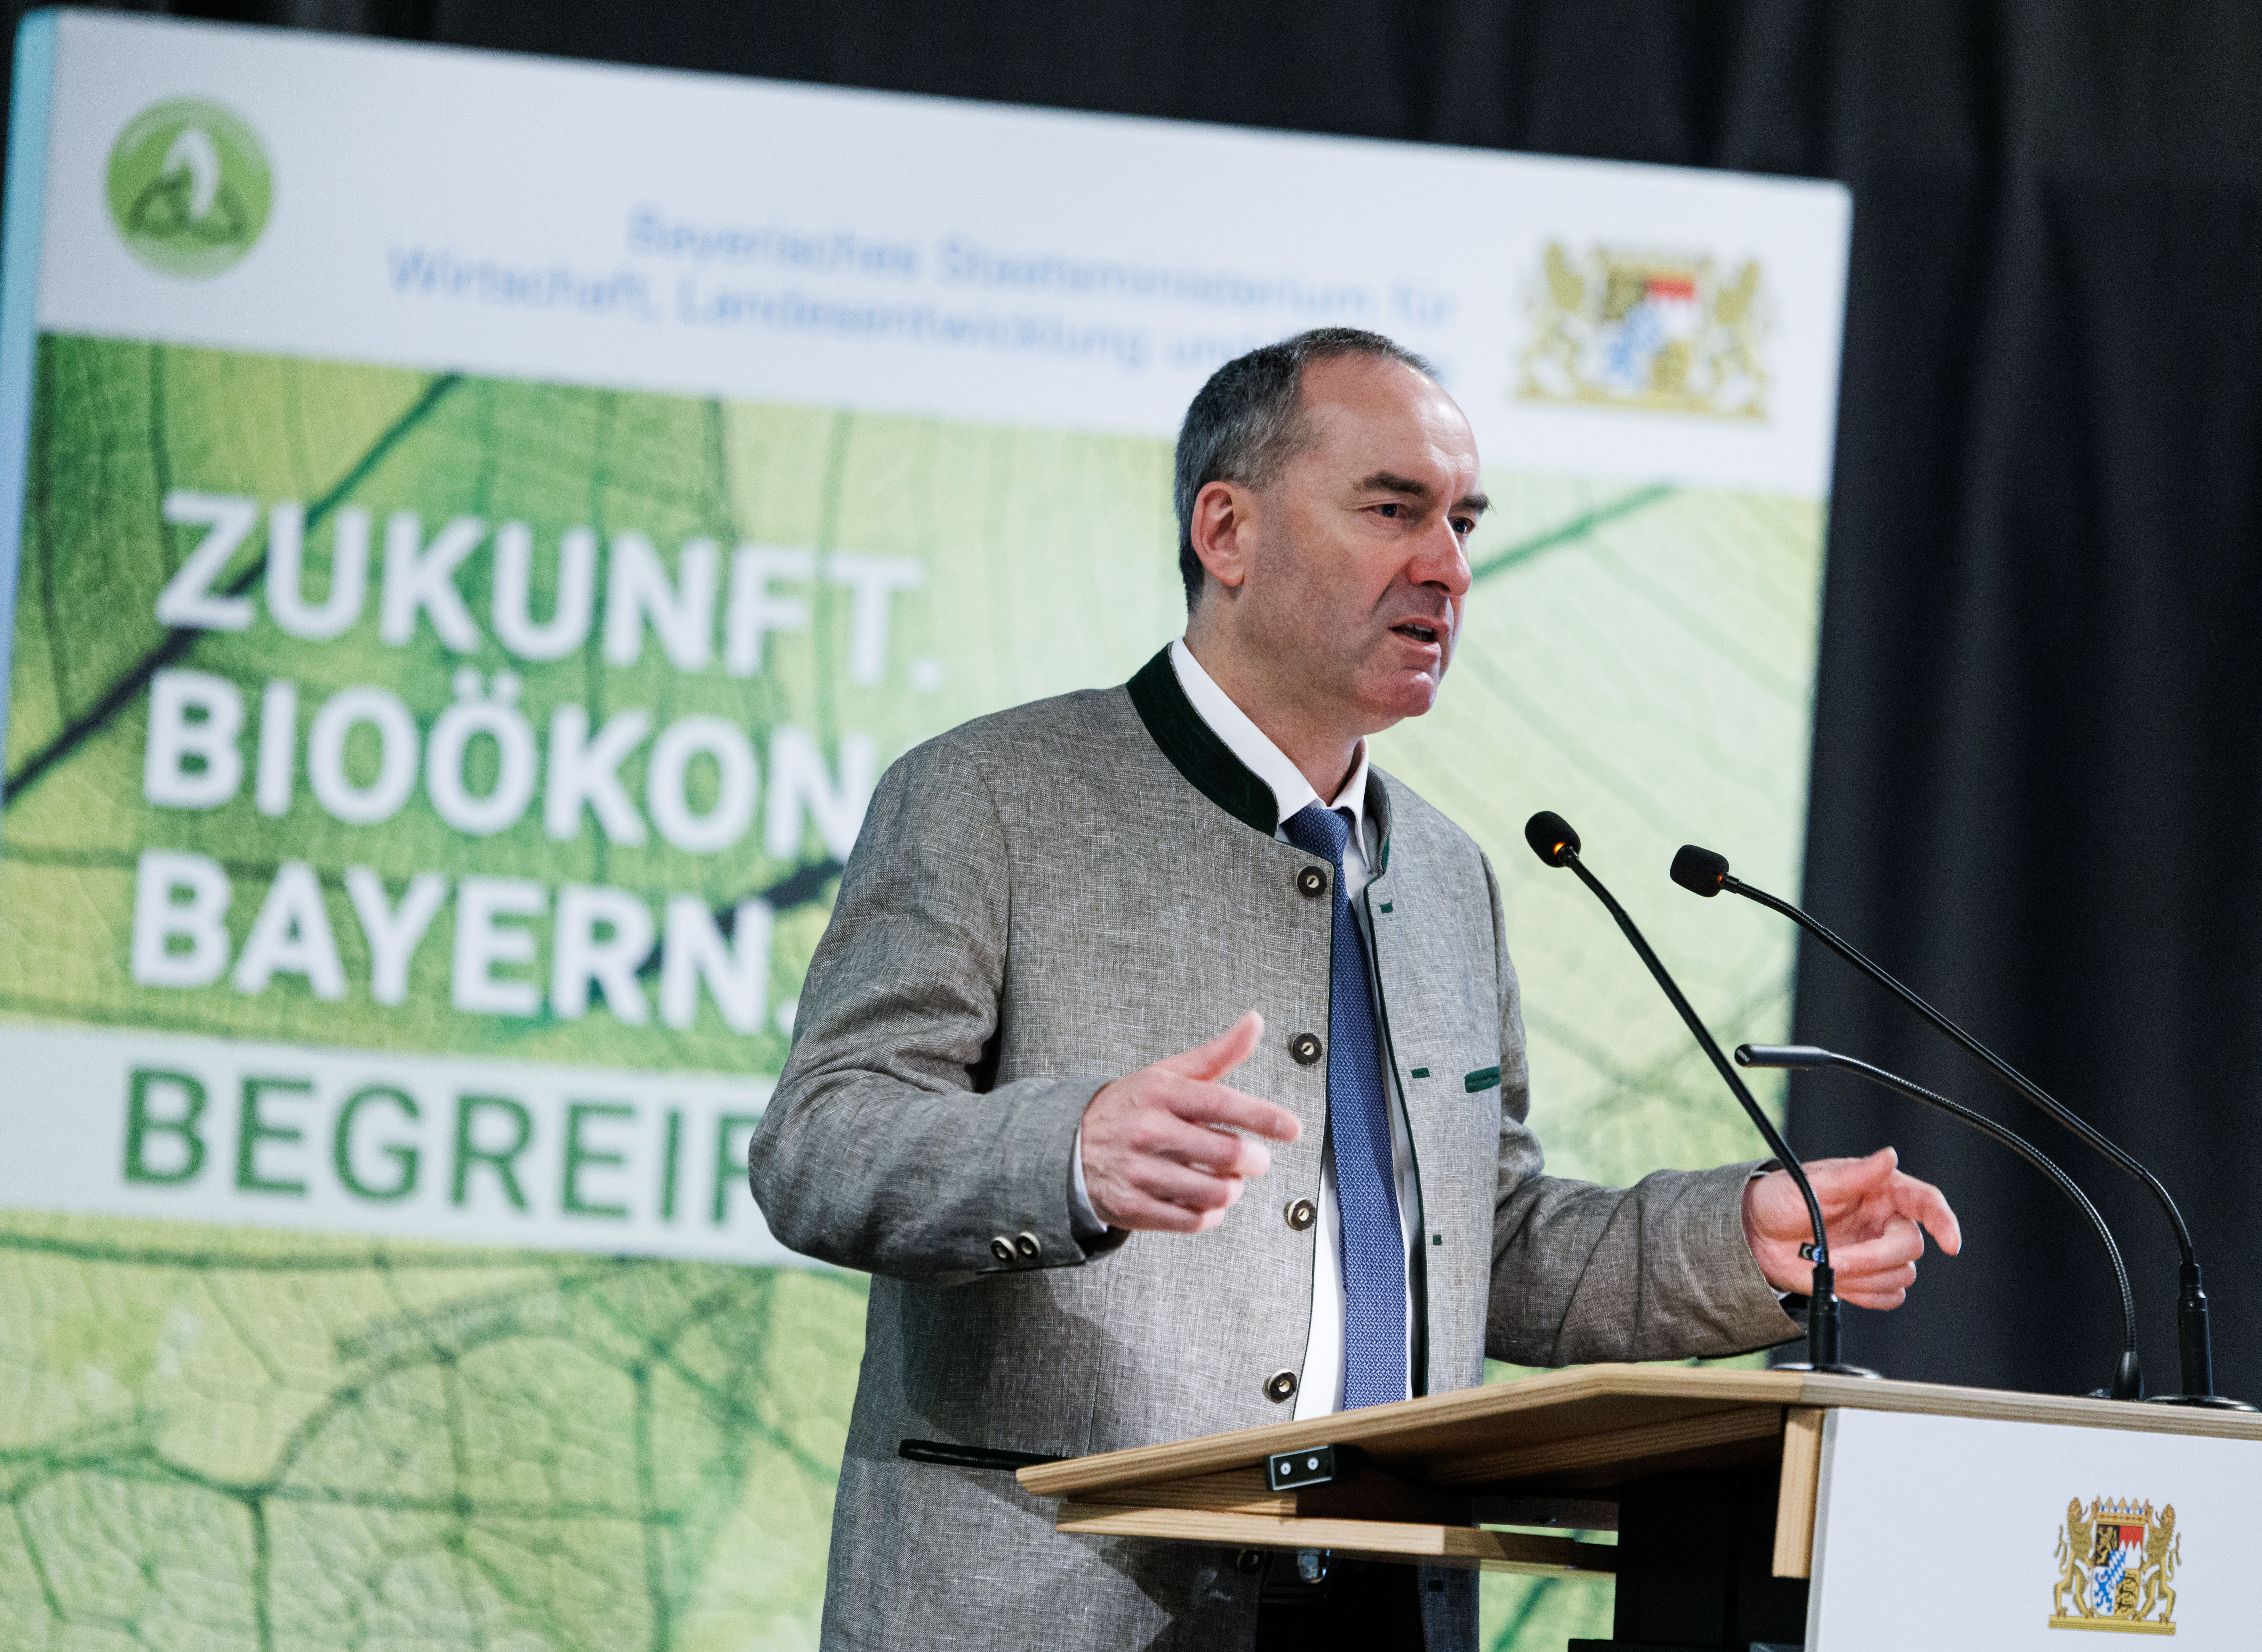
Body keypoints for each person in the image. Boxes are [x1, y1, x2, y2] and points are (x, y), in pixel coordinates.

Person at [749, 327, 1960, 1651]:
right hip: (1047, 1603)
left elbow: (1477, 1241)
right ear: (1227, 531)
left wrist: (1733, 1240)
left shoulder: (1446, 874)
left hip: (1381, 1603)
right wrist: (1068, 1151)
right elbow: (821, 1146)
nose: (1445, 566)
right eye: (1393, 511)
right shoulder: (990, 795)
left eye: (1462, 522)